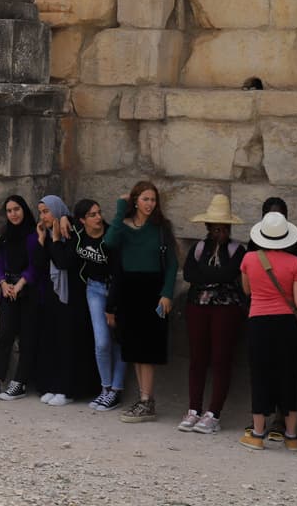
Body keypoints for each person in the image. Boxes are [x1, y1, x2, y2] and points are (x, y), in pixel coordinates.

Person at [104, 180, 179, 424]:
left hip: (153, 290)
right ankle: (142, 398)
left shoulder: (161, 227)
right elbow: (109, 242)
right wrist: (118, 209)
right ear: (135, 200)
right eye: (145, 199)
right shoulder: (123, 226)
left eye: (153, 199)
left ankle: (148, 401)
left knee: (148, 350)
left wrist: (167, 292)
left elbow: (172, 263)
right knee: (135, 349)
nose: (149, 204)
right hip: (129, 291)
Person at [239, 211, 297, 451]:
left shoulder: (249, 259)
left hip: (259, 322)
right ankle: (291, 437)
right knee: (289, 376)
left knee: (260, 375)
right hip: (287, 325)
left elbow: (247, 291)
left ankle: (258, 434)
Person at [177, 194, 246, 435]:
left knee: (220, 359)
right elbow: (189, 274)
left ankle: (214, 413)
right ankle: (193, 409)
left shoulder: (238, 250)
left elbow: (228, 274)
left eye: (223, 228)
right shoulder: (198, 248)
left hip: (225, 309)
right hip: (198, 306)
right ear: (208, 228)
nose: (219, 232)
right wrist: (211, 276)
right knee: (197, 359)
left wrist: (206, 275)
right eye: (215, 228)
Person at [37, 194, 99, 407]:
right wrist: (42, 241)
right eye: (41, 212)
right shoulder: (49, 232)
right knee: (55, 341)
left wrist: (55, 240)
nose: (43, 216)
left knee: (70, 343)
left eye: (46, 211)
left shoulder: (71, 232)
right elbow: (41, 264)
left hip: (74, 297)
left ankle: (68, 389)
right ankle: (55, 385)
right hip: (56, 297)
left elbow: (63, 262)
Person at [0, 195, 40, 402]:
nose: (13, 214)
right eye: (9, 210)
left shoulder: (33, 235)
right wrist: (3, 283)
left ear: (24, 210)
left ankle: (20, 382)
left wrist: (21, 283)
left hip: (28, 291)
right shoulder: (5, 237)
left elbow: (36, 264)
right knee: (4, 335)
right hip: (8, 291)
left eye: (17, 209)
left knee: (27, 337)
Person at [68, 199, 125, 412]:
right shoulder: (79, 234)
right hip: (93, 289)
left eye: (99, 212)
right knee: (101, 341)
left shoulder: (110, 236)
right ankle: (105, 388)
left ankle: (116, 391)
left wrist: (111, 307)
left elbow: (119, 272)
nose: (98, 217)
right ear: (82, 220)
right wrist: (63, 220)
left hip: (116, 291)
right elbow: (63, 218)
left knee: (119, 341)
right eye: (92, 214)